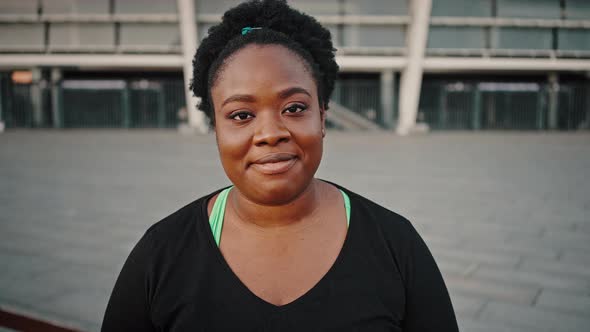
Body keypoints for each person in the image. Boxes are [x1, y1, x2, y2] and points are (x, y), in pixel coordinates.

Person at [101, 1, 458, 331]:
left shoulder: (397, 245)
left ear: (322, 116)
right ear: (216, 130)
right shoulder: (161, 254)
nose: (270, 133)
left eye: (294, 108)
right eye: (241, 115)